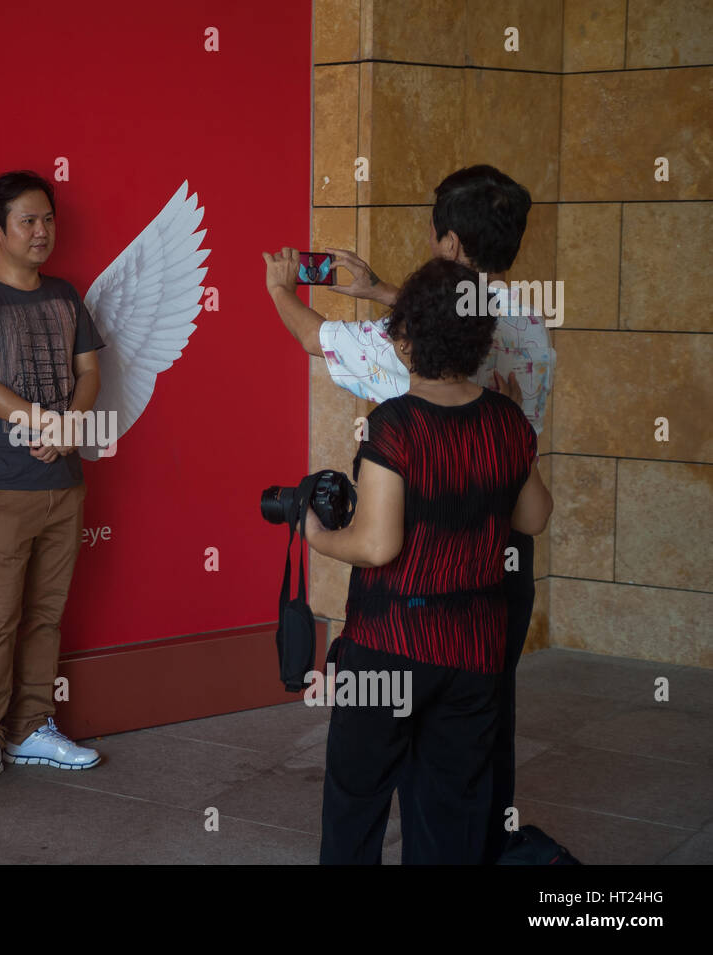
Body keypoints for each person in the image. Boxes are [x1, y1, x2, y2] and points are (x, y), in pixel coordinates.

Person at [265, 164, 552, 862]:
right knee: (467, 769)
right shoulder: (528, 332)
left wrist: (279, 288)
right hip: (487, 599)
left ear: (448, 241)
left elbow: (317, 339)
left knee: (359, 788)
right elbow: (533, 514)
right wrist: (379, 289)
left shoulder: (399, 409)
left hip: (399, 619)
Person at [0, 170, 105, 794]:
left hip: (63, 483)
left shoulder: (66, 295)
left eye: (47, 220)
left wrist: (71, 426)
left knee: (45, 613)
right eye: (27, 222)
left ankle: (32, 726)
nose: (41, 233)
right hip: (0, 485)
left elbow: (88, 370)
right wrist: (45, 422)